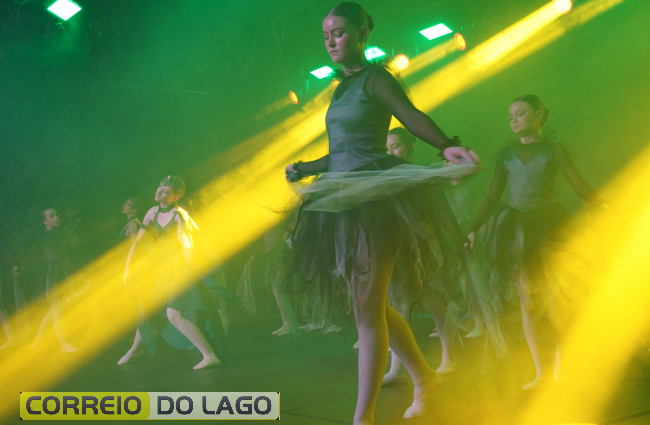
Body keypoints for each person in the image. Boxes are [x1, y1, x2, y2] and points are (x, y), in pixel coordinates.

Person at [283, 3, 480, 423]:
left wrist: (446, 145)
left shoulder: (377, 78)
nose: (330, 42)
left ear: (362, 33)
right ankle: (424, 377)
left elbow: (410, 115)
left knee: (369, 309)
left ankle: (364, 417)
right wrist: (304, 168)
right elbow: (340, 152)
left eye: (338, 33)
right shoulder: (340, 88)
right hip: (342, 200)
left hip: (375, 201)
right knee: (367, 306)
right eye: (326, 35)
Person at [467, 94, 606, 390]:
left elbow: (577, 182)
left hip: (547, 226)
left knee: (555, 300)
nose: (514, 120)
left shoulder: (554, 151)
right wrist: (474, 228)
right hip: (515, 229)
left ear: (538, 114)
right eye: (510, 116)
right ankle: (540, 372)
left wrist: (603, 205)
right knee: (527, 301)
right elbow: (493, 196)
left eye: (520, 113)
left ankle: (562, 365)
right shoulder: (505, 155)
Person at [119, 176, 228, 370]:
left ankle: (209, 355)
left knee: (174, 315)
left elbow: (184, 238)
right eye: (160, 188)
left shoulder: (179, 214)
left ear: (175, 197)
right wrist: (127, 268)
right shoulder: (152, 212)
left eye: (165, 191)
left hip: (179, 267)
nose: (159, 192)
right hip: (164, 268)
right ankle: (136, 349)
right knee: (149, 309)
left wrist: (188, 252)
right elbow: (137, 242)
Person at [31, 208, 89, 352]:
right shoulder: (51, 237)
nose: (56, 217)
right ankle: (63, 344)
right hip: (55, 274)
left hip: (55, 273)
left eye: (57, 214)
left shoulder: (53, 236)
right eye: (52, 216)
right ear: (45, 222)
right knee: (57, 310)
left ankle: (36, 343)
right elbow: (60, 259)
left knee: (53, 310)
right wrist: (76, 275)